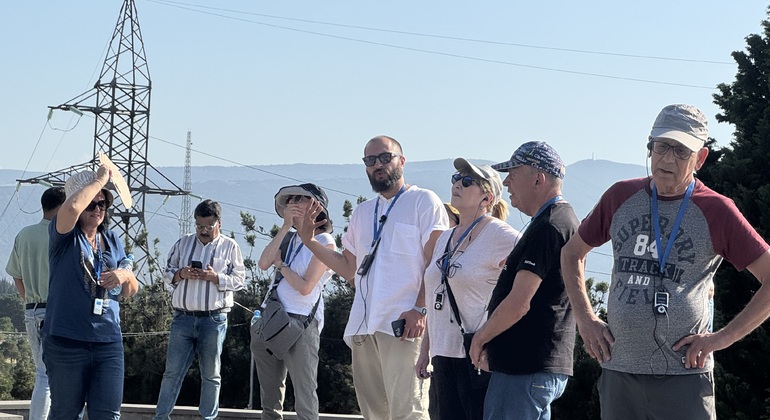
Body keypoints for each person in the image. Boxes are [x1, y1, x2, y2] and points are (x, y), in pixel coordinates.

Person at [560, 104, 770, 420]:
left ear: (700, 158)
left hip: (684, 375)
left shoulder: (716, 210)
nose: (668, 159)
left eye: (681, 151)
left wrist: (722, 338)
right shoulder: (620, 196)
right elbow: (571, 253)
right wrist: (585, 319)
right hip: (620, 370)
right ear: (650, 146)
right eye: (662, 146)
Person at [297, 135, 448, 419]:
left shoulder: (423, 200)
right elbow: (350, 269)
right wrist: (310, 241)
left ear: (402, 161)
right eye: (370, 160)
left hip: (404, 325)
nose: (378, 164)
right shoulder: (363, 211)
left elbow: (436, 262)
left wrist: (420, 309)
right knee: (374, 414)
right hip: (363, 326)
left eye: (385, 157)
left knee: (408, 413)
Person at [469, 141, 578, 420]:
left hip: (524, 368)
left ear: (538, 179)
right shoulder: (560, 220)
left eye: (513, 174)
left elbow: (519, 302)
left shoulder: (549, 226)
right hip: (534, 366)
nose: (506, 183)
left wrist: (480, 338)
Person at [416, 158, 520, 420]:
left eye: (467, 181)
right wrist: (424, 351)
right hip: (442, 355)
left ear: (487, 198)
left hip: (476, 355)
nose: (457, 185)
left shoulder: (499, 234)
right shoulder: (445, 238)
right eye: (455, 178)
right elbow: (436, 298)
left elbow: (537, 265)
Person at [43, 167, 139, 419]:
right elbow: (72, 209)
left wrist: (124, 275)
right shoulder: (64, 235)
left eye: (103, 204)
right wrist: (100, 180)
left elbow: (131, 290)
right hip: (66, 341)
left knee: (108, 414)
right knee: (65, 413)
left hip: (108, 341)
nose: (98, 209)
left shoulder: (112, 239)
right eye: (92, 204)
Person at [154, 199, 245, 420]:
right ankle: (161, 417)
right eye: (199, 226)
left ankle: (208, 417)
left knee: (211, 375)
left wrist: (216, 277)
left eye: (208, 227)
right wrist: (181, 274)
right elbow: (166, 272)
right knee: (172, 373)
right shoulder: (183, 243)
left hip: (213, 320)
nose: (203, 231)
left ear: (219, 223)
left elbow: (240, 280)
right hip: (182, 318)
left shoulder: (230, 246)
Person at [252, 183, 335, 420]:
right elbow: (263, 263)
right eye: (290, 200)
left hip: (300, 322)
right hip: (270, 317)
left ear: (316, 206)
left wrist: (282, 266)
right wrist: (286, 226)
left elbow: (306, 287)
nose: (292, 203)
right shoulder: (288, 238)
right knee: (269, 401)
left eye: (299, 199)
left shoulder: (325, 241)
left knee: (305, 397)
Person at [5, 186, 64, 420]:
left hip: (32, 310)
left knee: (42, 374)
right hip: (58, 312)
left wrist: (29, 299)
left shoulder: (24, 234)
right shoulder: (62, 234)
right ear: (61, 207)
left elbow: (15, 275)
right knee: (59, 375)